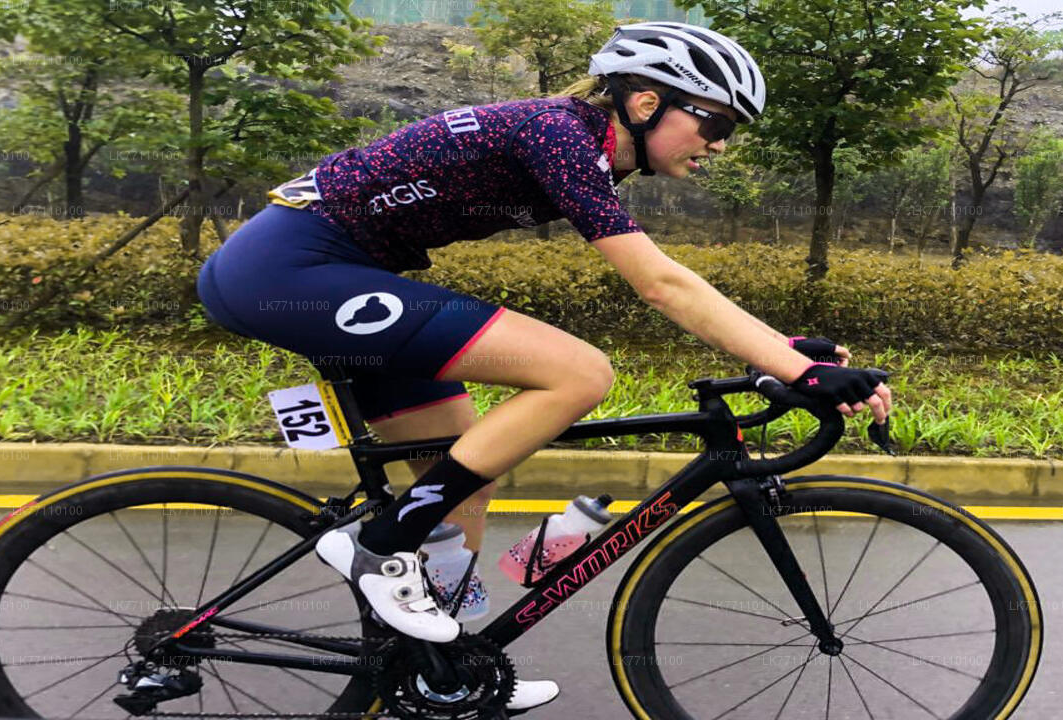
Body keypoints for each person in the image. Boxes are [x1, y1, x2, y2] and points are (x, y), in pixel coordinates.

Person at [196, 21, 891, 711]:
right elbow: (661, 285)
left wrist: (784, 351)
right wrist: (794, 370)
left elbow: (673, 282)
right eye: (715, 122)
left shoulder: (586, 147)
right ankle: (378, 548)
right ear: (646, 102)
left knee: (461, 481)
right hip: (286, 270)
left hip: (335, 274)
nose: (720, 143)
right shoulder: (558, 135)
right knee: (580, 373)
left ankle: (443, 674)